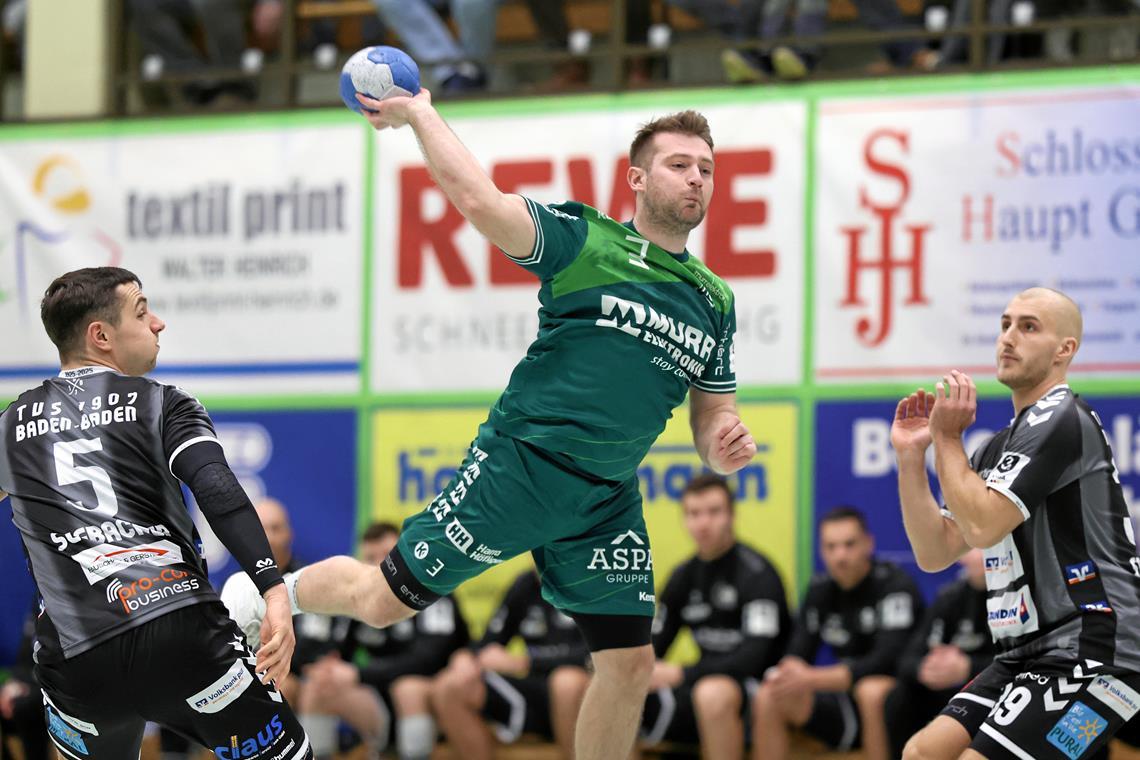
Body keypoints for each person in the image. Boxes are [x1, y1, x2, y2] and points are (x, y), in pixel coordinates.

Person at [230, 91, 754, 760]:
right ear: (639, 178)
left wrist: (723, 444)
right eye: (680, 165)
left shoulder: (714, 299)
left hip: (605, 499)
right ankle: (271, 589)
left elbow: (714, 415)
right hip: (521, 470)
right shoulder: (586, 239)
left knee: (629, 662)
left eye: (706, 169)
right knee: (384, 599)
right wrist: (420, 114)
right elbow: (483, 204)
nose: (696, 180)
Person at [0, 267, 308, 758]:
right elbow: (217, 489)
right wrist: (271, 588)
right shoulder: (163, 403)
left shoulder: (10, 425)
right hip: (177, 631)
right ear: (100, 336)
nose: (158, 323)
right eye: (142, 312)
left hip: (76, 658)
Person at [893, 286, 1140, 760]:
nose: (1008, 337)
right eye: (1005, 324)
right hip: (1025, 654)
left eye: (1028, 327)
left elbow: (983, 528)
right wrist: (911, 458)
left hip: (1096, 652)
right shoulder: (997, 445)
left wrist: (946, 438)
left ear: (1064, 350)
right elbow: (935, 550)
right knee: (922, 753)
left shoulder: (1061, 415)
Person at [750, 506, 923, 760]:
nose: (840, 555)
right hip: (847, 702)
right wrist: (788, 673)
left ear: (868, 544)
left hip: (903, 705)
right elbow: (798, 649)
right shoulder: (820, 589)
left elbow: (886, 660)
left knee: (871, 690)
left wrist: (810, 679)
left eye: (849, 544)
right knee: (771, 693)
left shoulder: (894, 586)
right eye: (831, 547)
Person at [642, 473, 790, 760]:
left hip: (759, 686)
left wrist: (680, 673)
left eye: (713, 512)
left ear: (732, 515)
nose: (703, 523)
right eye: (694, 513)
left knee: (712, 693)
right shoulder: (682, 576)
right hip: (702, 680)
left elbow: (753, 658)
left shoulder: (758, 574)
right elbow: (653, 643)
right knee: (621, 690)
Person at [300, 522, 469, 760]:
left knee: (407, 689)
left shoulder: (433, 586)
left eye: (388, 556)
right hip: (378, 697)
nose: (381, 566)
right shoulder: (359, 595)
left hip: (430, 696)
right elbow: (336, 647)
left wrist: (359, 674)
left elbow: (429, 660)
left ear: (406, 552)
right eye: (371, 558)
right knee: (318, 688)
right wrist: (329, 666)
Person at [432, 567, 590, 760]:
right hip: (535, 690)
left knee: (566, 682)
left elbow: (598, 654)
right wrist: (466, 655)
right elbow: (492, 639)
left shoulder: (596, 581)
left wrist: (526, 662)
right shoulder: (527, 583)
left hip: (587, 695)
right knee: (449, 685)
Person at [883, 549, 994, 757]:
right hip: (950, 691)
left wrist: (968, 667)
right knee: (898, 698)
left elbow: (1022, 658)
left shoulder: (1015, 597)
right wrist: (926, 669)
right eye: (975, 547)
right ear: (962, 554)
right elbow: (907, 660)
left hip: (994, 690)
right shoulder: (950, 596)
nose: (982, 555)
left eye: (988, 547)